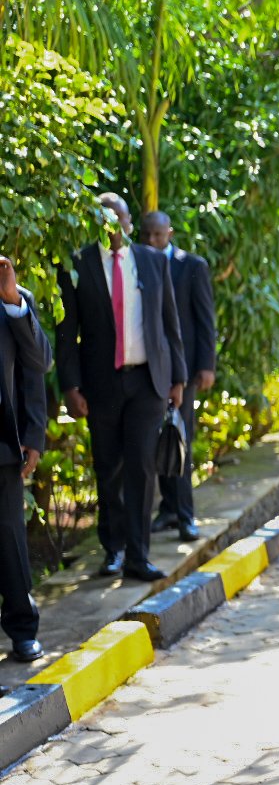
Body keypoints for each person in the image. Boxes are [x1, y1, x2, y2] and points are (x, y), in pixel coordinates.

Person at [57, 193, 187, 583]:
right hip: (101, 384)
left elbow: (169, 322)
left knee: (142, 468)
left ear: (130, 223)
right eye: (105, 219)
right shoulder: (77, 265)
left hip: (147, 380)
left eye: (119, 219)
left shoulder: (149, 260)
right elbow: (68, 334)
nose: (113, 226)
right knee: (108, 468)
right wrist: (70, 386)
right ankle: (112, 550)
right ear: (96, 224)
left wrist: (177, 377)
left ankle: (138, 555)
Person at [140, 211, 216, 543]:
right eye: (147, 236)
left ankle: (186, 515)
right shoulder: (137, 265)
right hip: (149, 369)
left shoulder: (192, 266)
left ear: (169, 233)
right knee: (159, 440)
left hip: (182, 371)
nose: (153, 242)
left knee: (180, 439)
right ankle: (168, 508)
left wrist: (206, 366)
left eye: (159, 235)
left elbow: (204, 320)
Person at [0, 254, 51, 663]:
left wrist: (34, 435)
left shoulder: (15, 300)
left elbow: (38, 366)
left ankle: (22, 630)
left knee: (11, 542)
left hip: (4, 447)